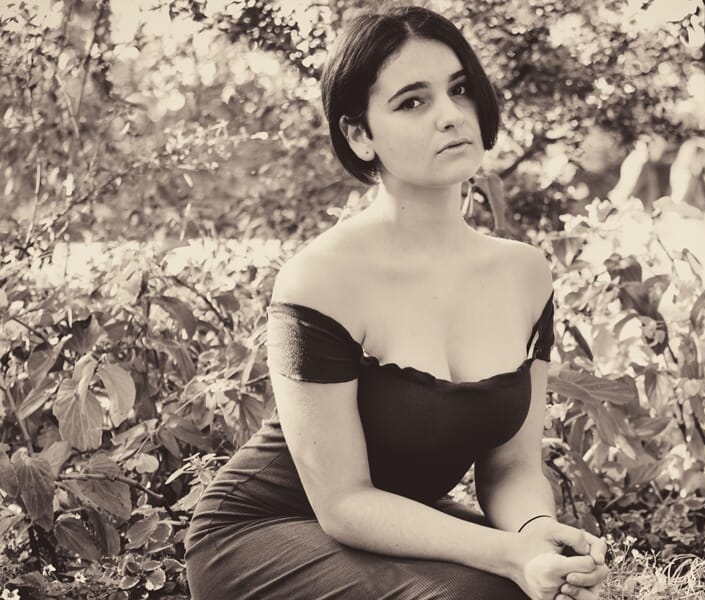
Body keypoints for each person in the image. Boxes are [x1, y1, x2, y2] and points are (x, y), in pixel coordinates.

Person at [184, 6, 610, 599]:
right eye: (412, 101)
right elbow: (343, 503)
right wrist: (507, 555)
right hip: (266, 532)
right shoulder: (321, 277)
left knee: (550, 586)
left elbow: (512, 468)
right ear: (359, 135)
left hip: (391, 526)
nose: (450, 116)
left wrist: (536, 536)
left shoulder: (524, 273)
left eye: (459, 89)